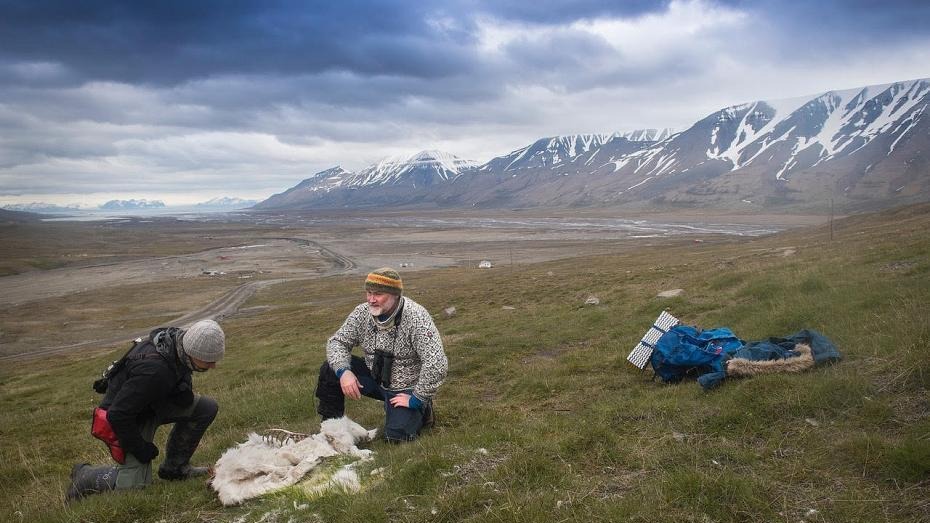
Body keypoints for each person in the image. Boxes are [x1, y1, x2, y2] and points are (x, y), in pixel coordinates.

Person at [67, 319, 225, 500]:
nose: (213, 366)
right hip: (129, 417)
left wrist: (181, 388)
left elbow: (176, 372)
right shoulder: (154, 371)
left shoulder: (178, 341)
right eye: (209, 361)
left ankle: (175, 468)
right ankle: (84, 476)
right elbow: (118, 414)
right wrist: (140, 448)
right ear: (191, 353)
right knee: (133, 488)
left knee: (206, 408)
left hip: (152, 402)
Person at [315, 268, 448, 442]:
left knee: (396, 439)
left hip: (405, 389)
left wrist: (418, 398)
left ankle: (423, 409)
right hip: (375, 378)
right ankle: (332, 430)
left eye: (378, 294)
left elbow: (436, 362)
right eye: (368, 293)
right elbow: (337, 342)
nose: (371, 299)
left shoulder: (416, 317)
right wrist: (344, 372)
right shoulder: (362, 313)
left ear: (394, 294)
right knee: (330, 370)